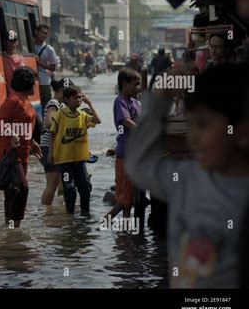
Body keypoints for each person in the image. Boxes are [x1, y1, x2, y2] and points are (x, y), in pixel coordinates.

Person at [126, 63, 249, 288]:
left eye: (202, 125)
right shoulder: (187, 178)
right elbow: (139, 164)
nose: (192, 138)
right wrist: (160, 96)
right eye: (189, 125)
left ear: (242, 129)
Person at [0, 67, 43, 228]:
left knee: (12, 191)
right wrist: (12, 134)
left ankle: (9, 227)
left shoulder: (26, 101)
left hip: (24, 152)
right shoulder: (13, 100)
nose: (35, 86)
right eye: (34, 83)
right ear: (27, 84)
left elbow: (25, 125)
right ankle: (16, 229)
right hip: (9, 154)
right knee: (22, 189)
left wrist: (33, 143)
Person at [48, 85, 101, 215]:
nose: (79, 100)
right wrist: (50, 153)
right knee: (69, 188)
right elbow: (52, 133)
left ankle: (85, 214)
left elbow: (98, 120)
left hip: (80, 159)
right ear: (66, 99)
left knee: (85, 187)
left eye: (80, 97)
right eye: (75, 97)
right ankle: (70, 216)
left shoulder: (83, 115)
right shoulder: (60, 114)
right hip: (65, 160)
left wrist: (89, 103)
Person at [105, 68, 142, 220]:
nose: (138, 87)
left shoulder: (136, 102)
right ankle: (105, 221)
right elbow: (126, 121)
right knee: (125, 197)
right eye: (136, 84)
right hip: (126, 154)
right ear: (124, 84)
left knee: (128, 198)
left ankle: (124, 235)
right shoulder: (120, 101)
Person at [40, 77, 73, 205]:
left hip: (58, 147)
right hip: (50, 147)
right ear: (61, 91)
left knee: (60, 183)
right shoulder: (53, 104)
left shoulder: (62, 105)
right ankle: (46, 213)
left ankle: (57, 212)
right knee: (52, 184)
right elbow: (49, 123)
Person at [33, 24, 59, 114]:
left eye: (46, 33)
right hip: (31, 82)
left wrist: (39, 63)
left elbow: (53, 68)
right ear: (36, 32)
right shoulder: (29, 45)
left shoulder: (49, 49)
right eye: (42, 32)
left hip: (44, 83)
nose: (43, 35)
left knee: (46, 109)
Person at [2, 30, 25, 97]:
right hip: (7, 94)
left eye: (14, 41)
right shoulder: (1, 58)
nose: (12, 44)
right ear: (5, 42)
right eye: (10, 41)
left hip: (19, 93)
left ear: (17, 43)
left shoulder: (20, 58)